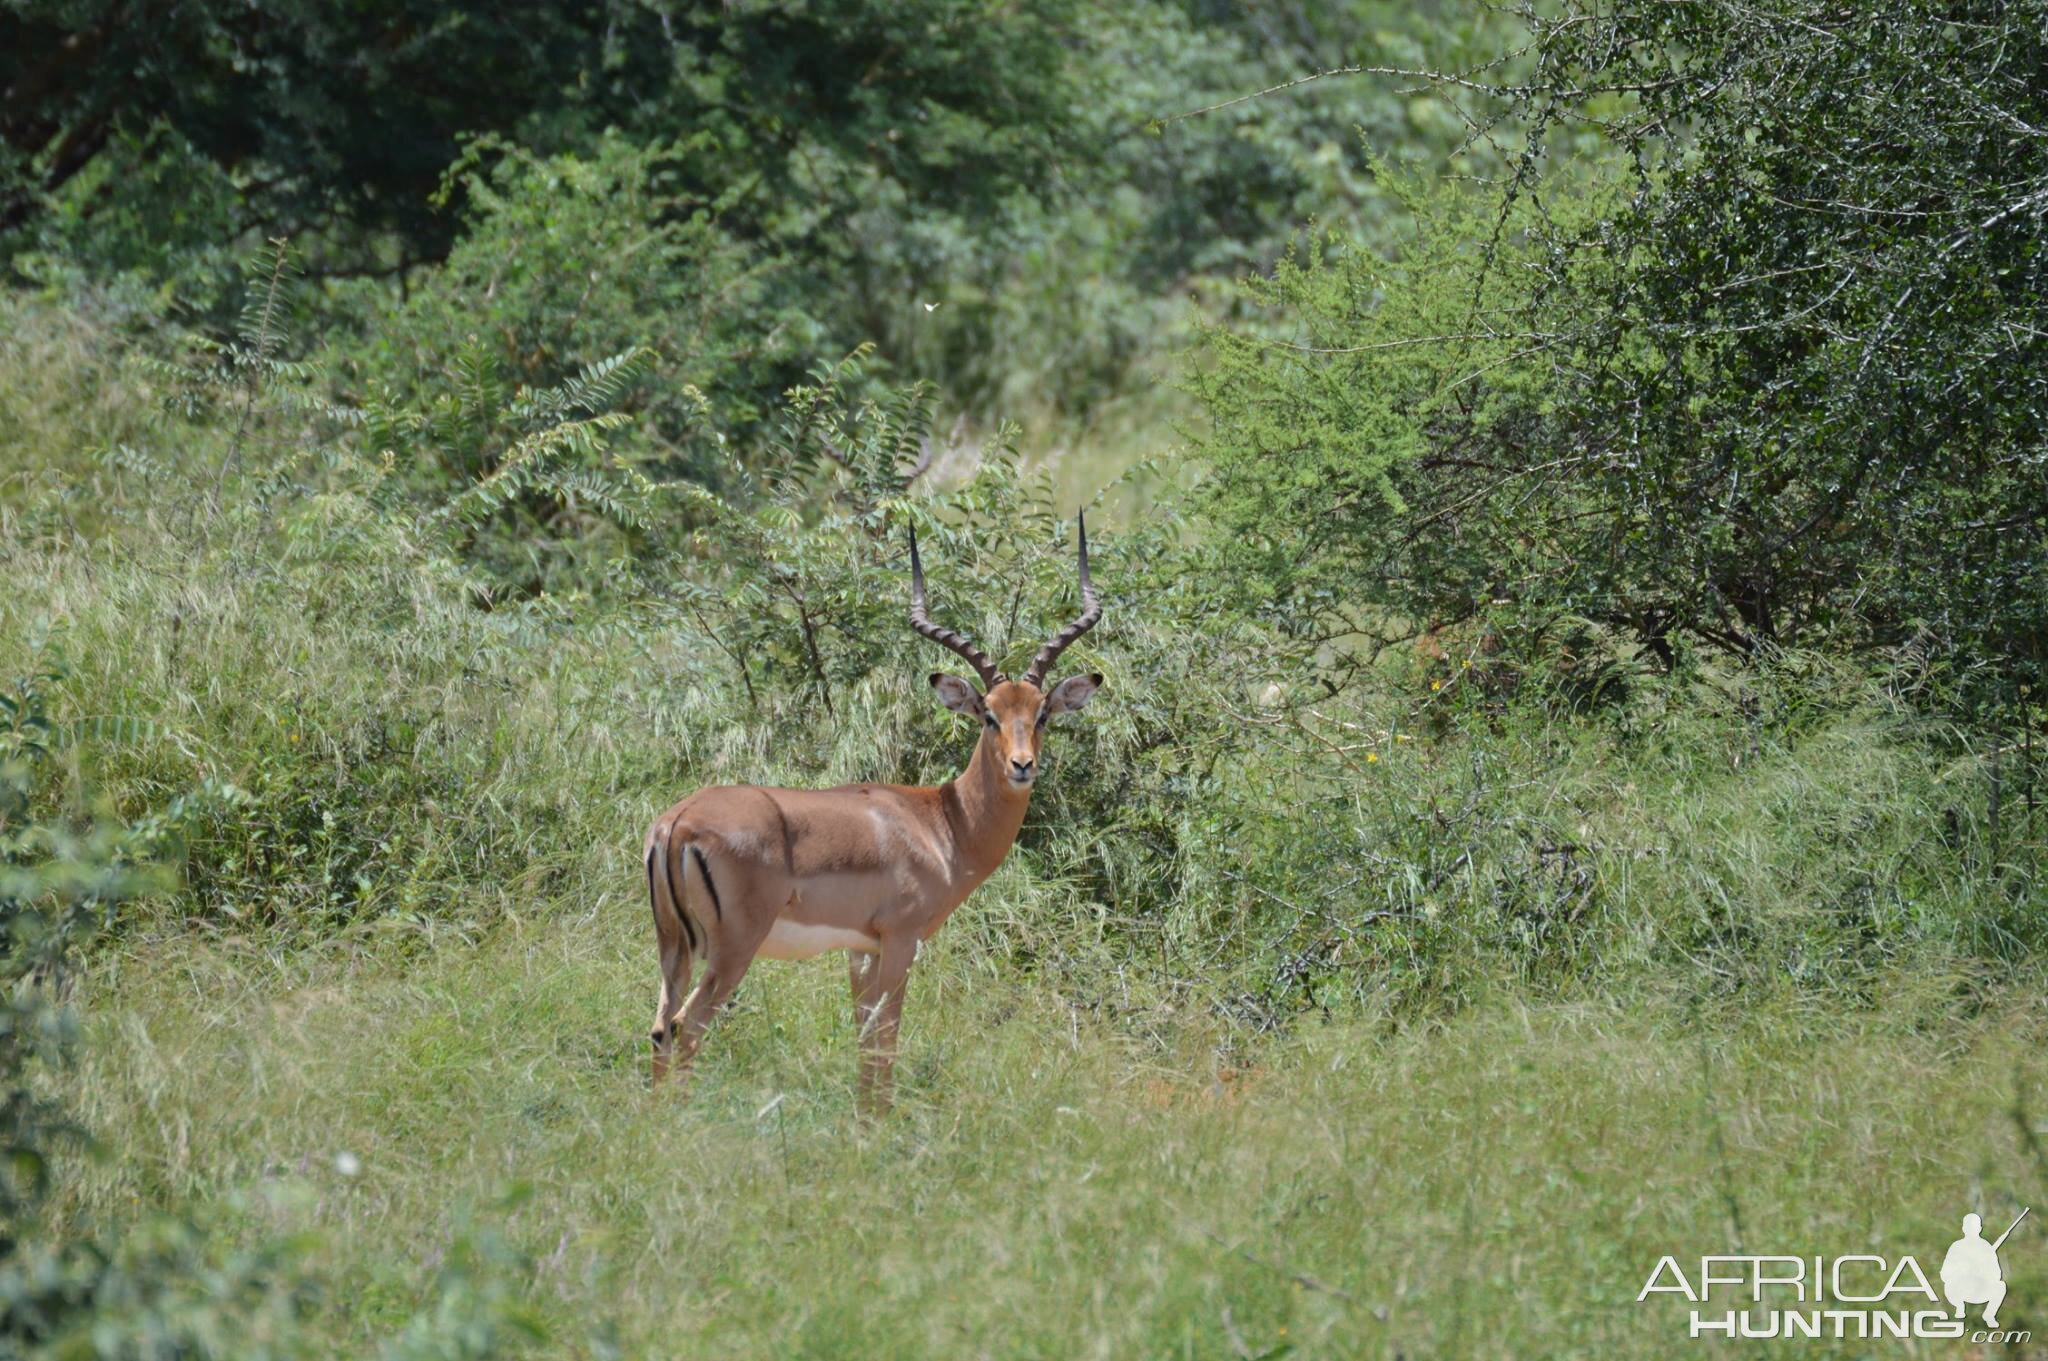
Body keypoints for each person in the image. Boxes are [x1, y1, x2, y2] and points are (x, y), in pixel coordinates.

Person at [1941, 1213, 2006, 1327]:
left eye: (1974, 1227)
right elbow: (1945, 1274)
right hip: (1960, 1291)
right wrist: (1962, 1271)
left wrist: (1983, 1272)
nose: (1972, 1230)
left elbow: (1997, 1274)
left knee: (2001, 1286)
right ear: (1963, 1228)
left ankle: (1989, 1315)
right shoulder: (1957, 1247)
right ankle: (1959, 1307)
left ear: (1980, 1228)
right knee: (1948, 1286)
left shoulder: (1985, 1247)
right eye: (1969, 1227)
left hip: (1979, 1291)